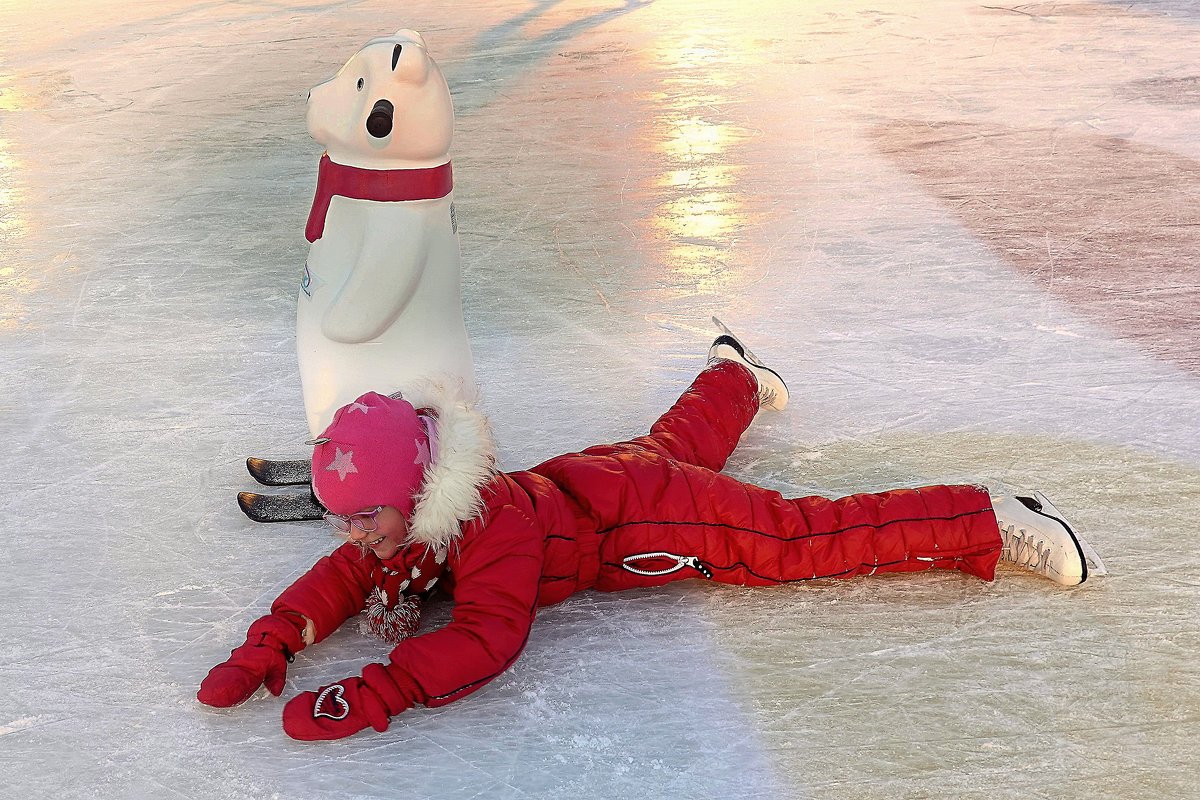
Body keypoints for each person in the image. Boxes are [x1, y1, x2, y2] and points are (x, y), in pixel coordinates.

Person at [197, 327, 1106, 741]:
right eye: (344, 516)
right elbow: (343, 579)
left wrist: (381, 689)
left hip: (643, 519)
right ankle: (738, 372)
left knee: (795, 540)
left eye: (364, 515)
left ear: (416, 493)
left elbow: (487, 636)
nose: (354, 536)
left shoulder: (491, 531)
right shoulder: (422, 508)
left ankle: (988, 516)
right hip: (598, 478)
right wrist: (272, 640)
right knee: (674, 441)